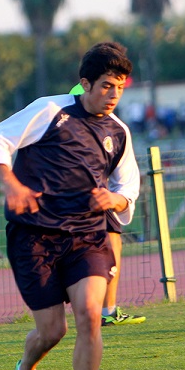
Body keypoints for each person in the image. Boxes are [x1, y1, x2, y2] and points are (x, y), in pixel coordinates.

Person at [0, 42, 140, 370]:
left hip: (87, 236)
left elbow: (128, 188)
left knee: (90, 315)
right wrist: (12, 184)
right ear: (85, 84)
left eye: (120, 88)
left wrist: (114, 200)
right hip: (34, 238)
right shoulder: (50, 111)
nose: (113, 96)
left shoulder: (118, 132)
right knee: (53, 331)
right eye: (106, 86)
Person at [68, 83, 145, 327]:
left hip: (99, 196)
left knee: (112, 242)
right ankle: (100, 310)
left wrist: (117, 198)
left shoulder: (116, 128)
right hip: (73, 197)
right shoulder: (65, 120)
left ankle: (105, 311)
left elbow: (125, 179)